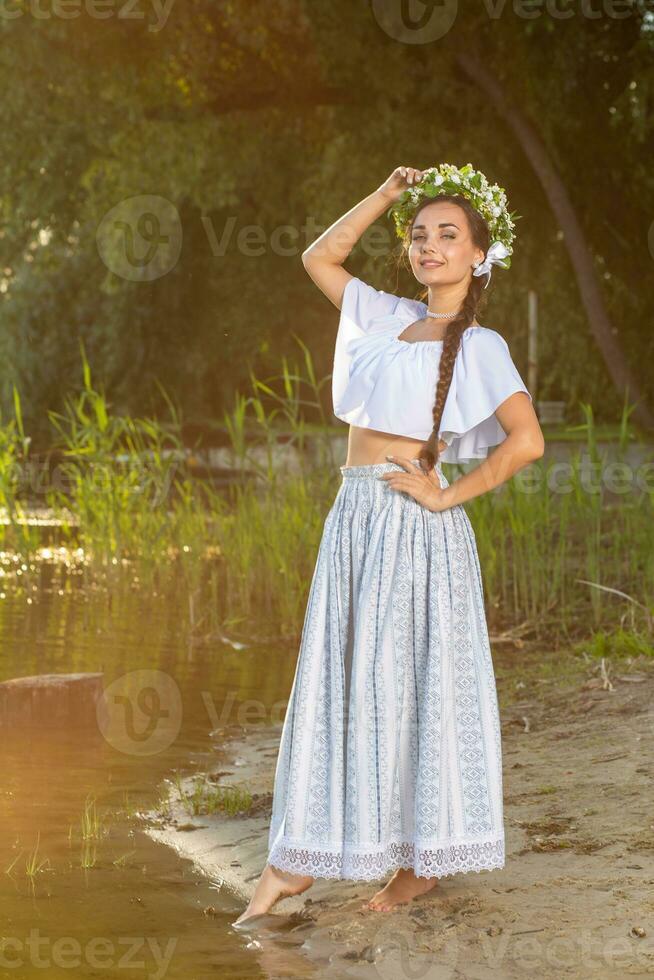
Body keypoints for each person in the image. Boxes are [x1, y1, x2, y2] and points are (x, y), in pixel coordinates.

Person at [233, 163, 544, 926]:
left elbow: (527, 441)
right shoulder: (384, 316)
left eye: (448, 235)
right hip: (355, 516)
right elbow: (318, 257)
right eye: (419, 235)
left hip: (412, 524)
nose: (429, 245)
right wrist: (385, 196)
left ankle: (405, 866)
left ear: (479, 254)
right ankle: (304, 860)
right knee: (347, 677)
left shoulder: (479, 343)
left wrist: (444, 494)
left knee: (403, 683)